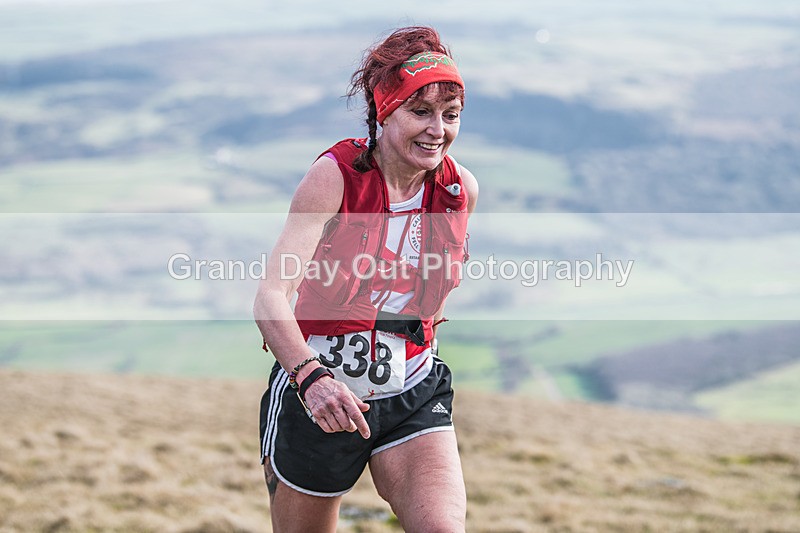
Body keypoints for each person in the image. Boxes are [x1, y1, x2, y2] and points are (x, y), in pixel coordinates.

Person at [254, 26, 478, 532]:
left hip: (412, 387)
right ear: (384, 112)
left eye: (451, 114)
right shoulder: (334, 177)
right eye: (420, 112)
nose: (437, 130)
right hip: (321, 391)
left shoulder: (459, 190)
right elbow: (271, 298)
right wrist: (312, 380)